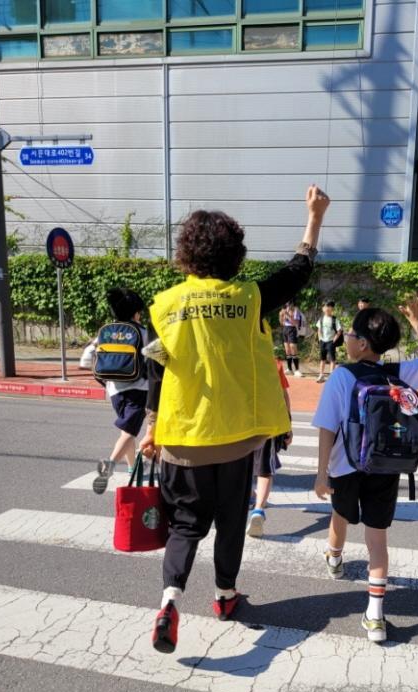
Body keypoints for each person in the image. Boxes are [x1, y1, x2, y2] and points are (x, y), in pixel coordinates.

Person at [140, 185, 330, 654]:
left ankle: (169, 602)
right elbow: (297, 271)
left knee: (185, 526)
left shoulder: (163, 308)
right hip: (236, 439)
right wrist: (314, 218)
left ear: (186, 254)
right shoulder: (249, 299)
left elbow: (157, 374)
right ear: (235, 254)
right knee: (229, 523)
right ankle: (225, 596)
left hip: (182, 439)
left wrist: (152, 428)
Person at [312, 295, 418, 642]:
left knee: (340, 515)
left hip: (345, 466)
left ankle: (335, 558)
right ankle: (375, 616)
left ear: (362, 343)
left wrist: (321, 473)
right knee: (377, 539)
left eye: (350, 335)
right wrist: (417, 321)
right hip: (386, 465)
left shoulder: (342, 376)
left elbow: (327, 427)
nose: (346, 338)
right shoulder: (398, 373)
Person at [92, 287, 148, 495]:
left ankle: (133, 468)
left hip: (114, 390)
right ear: (136, 312)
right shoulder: (143, 333)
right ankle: (110, 465)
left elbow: (88, 357)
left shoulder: (106, 332)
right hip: (139, 388)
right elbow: (160, 358)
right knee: (129, 431)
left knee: (127, 430)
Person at [246, 358, 293, 538]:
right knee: (265, 468)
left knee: (243, 461)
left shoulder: (235, 356)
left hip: (241, 422)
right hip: (268, 423)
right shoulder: (274, 363)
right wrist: (288, 425)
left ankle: (249, 495)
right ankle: (258, 509)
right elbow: (283, 395)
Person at [316, 300, 342, 383]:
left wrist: (334, 340)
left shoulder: (335, 319)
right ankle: (321, 375)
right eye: (325, 306)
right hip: (322, 341)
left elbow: (339, 331)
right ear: (322, 308)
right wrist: (320, 339)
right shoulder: (321, 319)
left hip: (331, 341)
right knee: (322, 359)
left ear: (332, 308)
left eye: (329, 306)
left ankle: (331, 376)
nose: (327, 308)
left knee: (332, 359)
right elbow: (319, 329)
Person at [279, 300, 304, 377]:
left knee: (293, 347)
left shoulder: (296, 310)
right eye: (287, 304)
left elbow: (295, 323)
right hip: (285, 329)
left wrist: (288, 315)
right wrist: (281, 316)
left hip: (292, 329)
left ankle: (297, 370)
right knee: (287, 350)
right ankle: (289, 369)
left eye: (289, 303)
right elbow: (282, 323)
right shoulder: (285, 309)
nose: (288, 305)